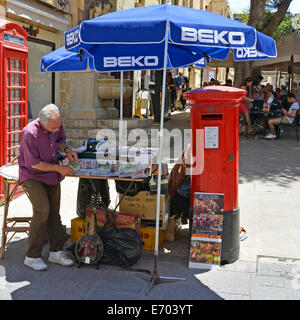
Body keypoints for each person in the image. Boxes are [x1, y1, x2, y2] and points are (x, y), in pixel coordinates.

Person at [18, 104, 78, 271]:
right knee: (42, 211)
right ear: (42, 123)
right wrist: (60, 168)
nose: (57, 128)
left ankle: (56, 251)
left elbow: (59, 140)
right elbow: (34, 164)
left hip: (50, 172)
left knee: (54, 211)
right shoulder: (30, 132)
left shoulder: (55, 123)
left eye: (59, 125)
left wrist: (66, 150)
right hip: (32, 174)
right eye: (54, 127)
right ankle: (32, 256)